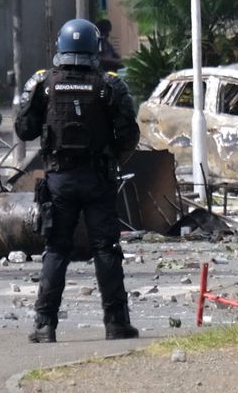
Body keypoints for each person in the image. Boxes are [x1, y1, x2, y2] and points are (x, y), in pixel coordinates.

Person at [15, 18, 141, 343]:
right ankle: (116, 323)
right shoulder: (109, 84)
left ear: (60, 46)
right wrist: (111, 157)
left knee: (56, 249)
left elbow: (24, 129)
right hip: (98, 178)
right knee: (106, 249)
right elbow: (130, 134)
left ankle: (44, 325)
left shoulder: (44, 84)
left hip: (59, 179)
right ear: (95, 47)